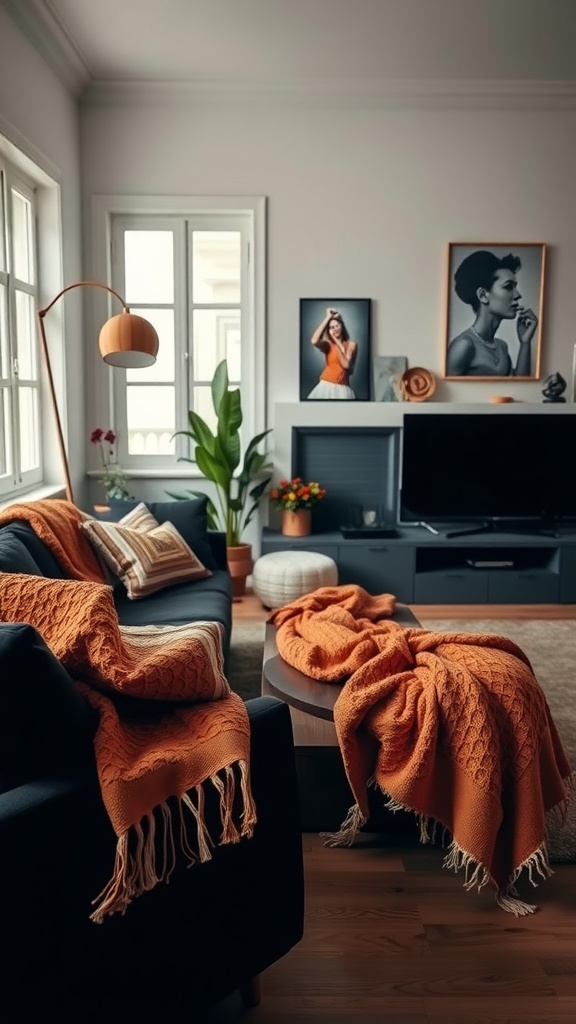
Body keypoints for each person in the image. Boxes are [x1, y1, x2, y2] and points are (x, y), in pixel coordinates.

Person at [446, 250, 539, 377]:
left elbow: (519, 388)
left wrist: (525, 343)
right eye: (508, 287)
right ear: (483, 295)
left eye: (515, 287)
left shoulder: (501, 347)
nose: (518, 295)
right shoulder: (463, 346)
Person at [307, 308, 358, 399]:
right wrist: (328, 317)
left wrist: (335, 340)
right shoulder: (328, 345)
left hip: (344, 389)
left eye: (337, 325)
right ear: (329, 330)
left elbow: (346, 366)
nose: (335, 329)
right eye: (332, 327)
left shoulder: (352, 345)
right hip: (326, 385)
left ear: (342, 326)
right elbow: (314, 341)